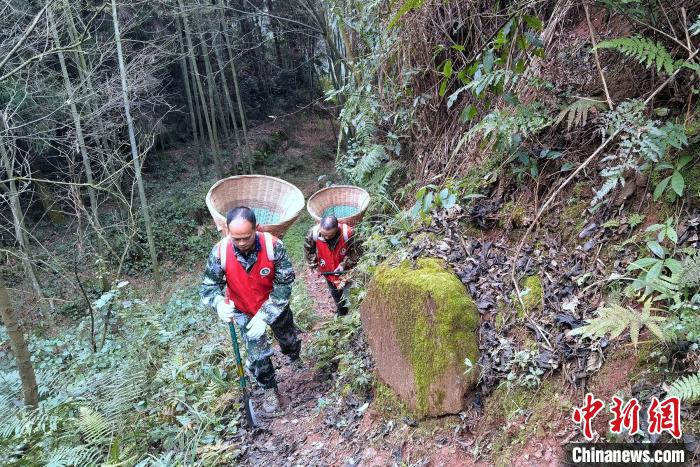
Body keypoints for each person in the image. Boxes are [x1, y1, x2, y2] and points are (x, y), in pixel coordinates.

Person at [200, 206, 301, 414]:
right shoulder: (220, 252)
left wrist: (266, 314)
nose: (242, 243)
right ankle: (269, 389)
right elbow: (208, 286)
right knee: (258, 354)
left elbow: (284, 283)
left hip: (274, 305)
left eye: (246, 237)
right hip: (244, 309)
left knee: (288, 338)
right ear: (227, 231)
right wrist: (218, 303)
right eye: (236, 238)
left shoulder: (274, 246)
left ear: (257, 228)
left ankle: (294, 357)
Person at [304, 215, 359, 316]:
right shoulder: (313, 234)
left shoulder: (348, 233)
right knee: (334, 292)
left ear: (337, 229)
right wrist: (314, 266)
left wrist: (344, 264)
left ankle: (354, 314)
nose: (326, 238)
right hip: (327, 269)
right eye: (324, 235)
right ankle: (341, 312)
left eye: (330, 235)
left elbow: (356, 252)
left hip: (346, 270)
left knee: (349, 292)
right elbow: (309, 251)